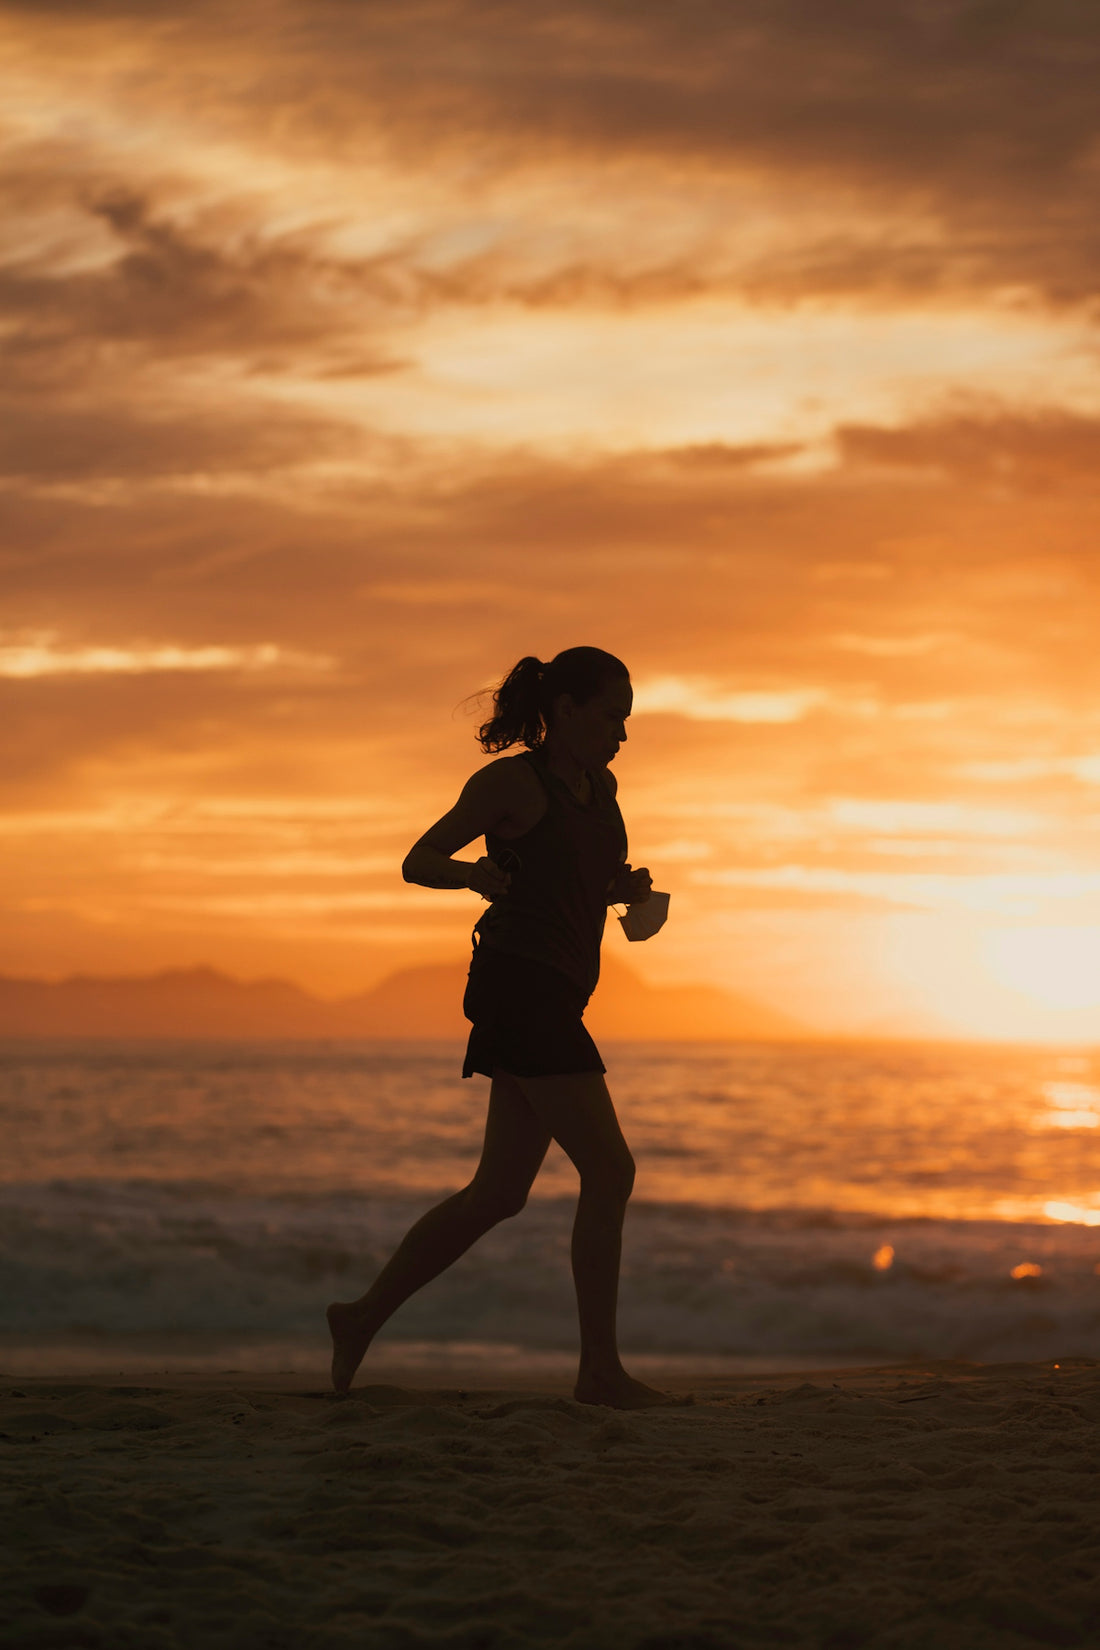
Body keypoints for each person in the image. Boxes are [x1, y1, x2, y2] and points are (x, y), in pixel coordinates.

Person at [327, 646, 673, 1407]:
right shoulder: (511, 783)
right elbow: (421, 859)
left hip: (558, 994)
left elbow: (581, 873)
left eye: (627, 718)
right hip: (522, 990)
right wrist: (473, 875)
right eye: (613, 715)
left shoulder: (600, 788)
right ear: (568, 709)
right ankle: (599, 1372)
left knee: (498, 1193)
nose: (622, 732)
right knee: (611, 1171)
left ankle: (357, 1318)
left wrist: (626, 889)